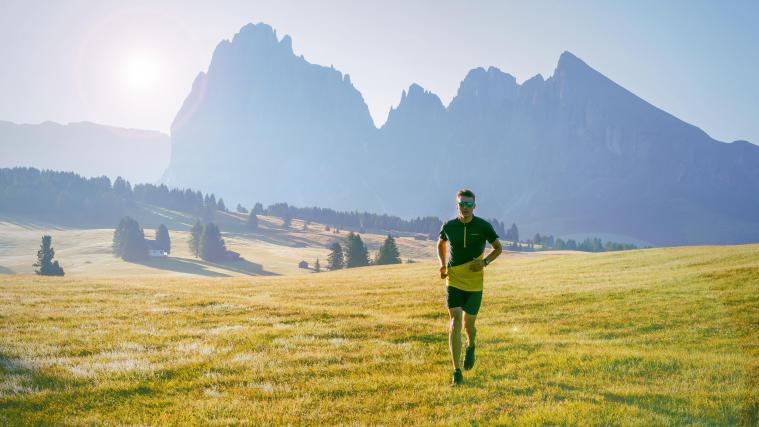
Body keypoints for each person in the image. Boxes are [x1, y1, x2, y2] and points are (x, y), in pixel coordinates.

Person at [437, 189, 502, 385]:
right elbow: (440, 243)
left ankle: (471, 345)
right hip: (454, 279)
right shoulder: (449, 226)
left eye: (468, 204)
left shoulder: (483, 226)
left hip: (474, 282)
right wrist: (441, 264)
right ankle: (456, 371)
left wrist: (485, 263)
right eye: (461, 204)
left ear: (474, 206)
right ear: (456, 206)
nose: (465, 208)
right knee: (455, 322)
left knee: (469, 325)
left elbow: (498, 248)